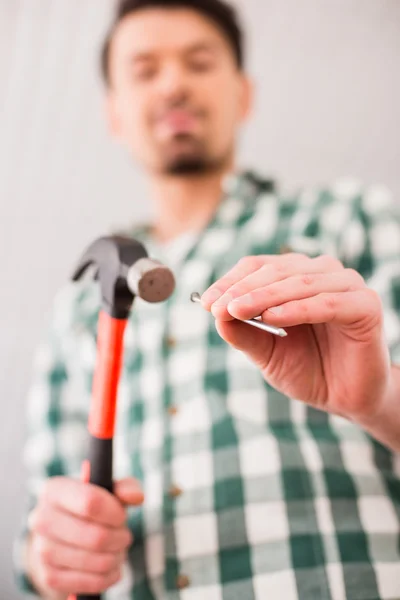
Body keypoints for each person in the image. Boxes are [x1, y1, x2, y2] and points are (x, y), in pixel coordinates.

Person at [14, 0, 400, 598]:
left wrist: (379, 400)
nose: (173, 83)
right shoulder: (78, 307)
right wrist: (51, 556)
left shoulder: (356, 221)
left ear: (243, 94)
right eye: (144, 70)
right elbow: (44, 523)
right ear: (114, 114)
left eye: (199, 62)